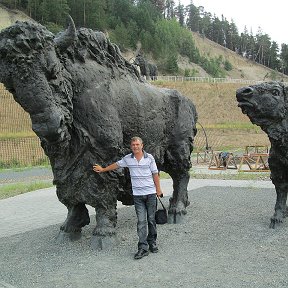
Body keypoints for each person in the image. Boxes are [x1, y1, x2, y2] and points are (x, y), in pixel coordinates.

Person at [93, 136, 163, 260]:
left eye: (137, 144)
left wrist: (158, 189)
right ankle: (142, 247)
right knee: (141, 221)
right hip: (138, 196)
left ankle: (152, 241)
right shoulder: (128, 159)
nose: (135, 146)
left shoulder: (149, 158)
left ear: (142, 145)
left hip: (151, 194)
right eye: (133, 145)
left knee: (151, 220)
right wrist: (103, 169)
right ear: (131, 147)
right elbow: (116, 165)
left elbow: (155, 174)